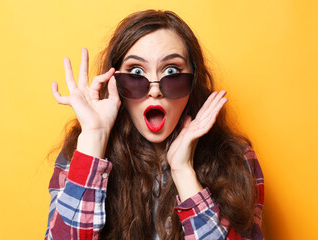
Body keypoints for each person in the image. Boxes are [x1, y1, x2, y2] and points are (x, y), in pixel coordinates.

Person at [45, 9, 264, 240]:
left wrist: (183, 171)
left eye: (172, 71)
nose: (155, 90)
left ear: (193, 81)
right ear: (115, 82)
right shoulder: (82, 152)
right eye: (136, 72)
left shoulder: (235, 159)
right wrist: (95, 138)